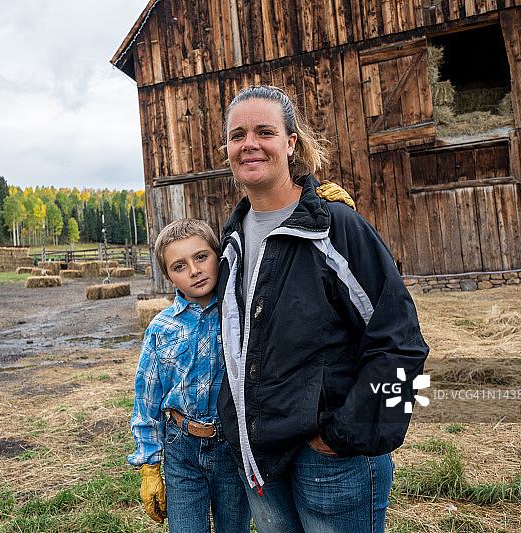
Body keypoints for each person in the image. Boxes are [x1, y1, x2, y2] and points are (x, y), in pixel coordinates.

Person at [216, 85, 430, 533]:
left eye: (264, 132)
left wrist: (343, 436)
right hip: (260, 460)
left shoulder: (335, 227)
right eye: (238, 135)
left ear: (290, 143)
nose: (249, 144)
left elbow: (401, 341)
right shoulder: (231, 241)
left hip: (331, 463)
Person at [129, 218, 251, 533]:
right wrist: (149, 465)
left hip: (232, 446)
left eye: (201, 257)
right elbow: (147, 397)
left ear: (218, 255)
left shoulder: (240, 314)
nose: (194, 270)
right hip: (181, 448)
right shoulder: (160, 327)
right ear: (169, 277)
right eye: (179, 266)